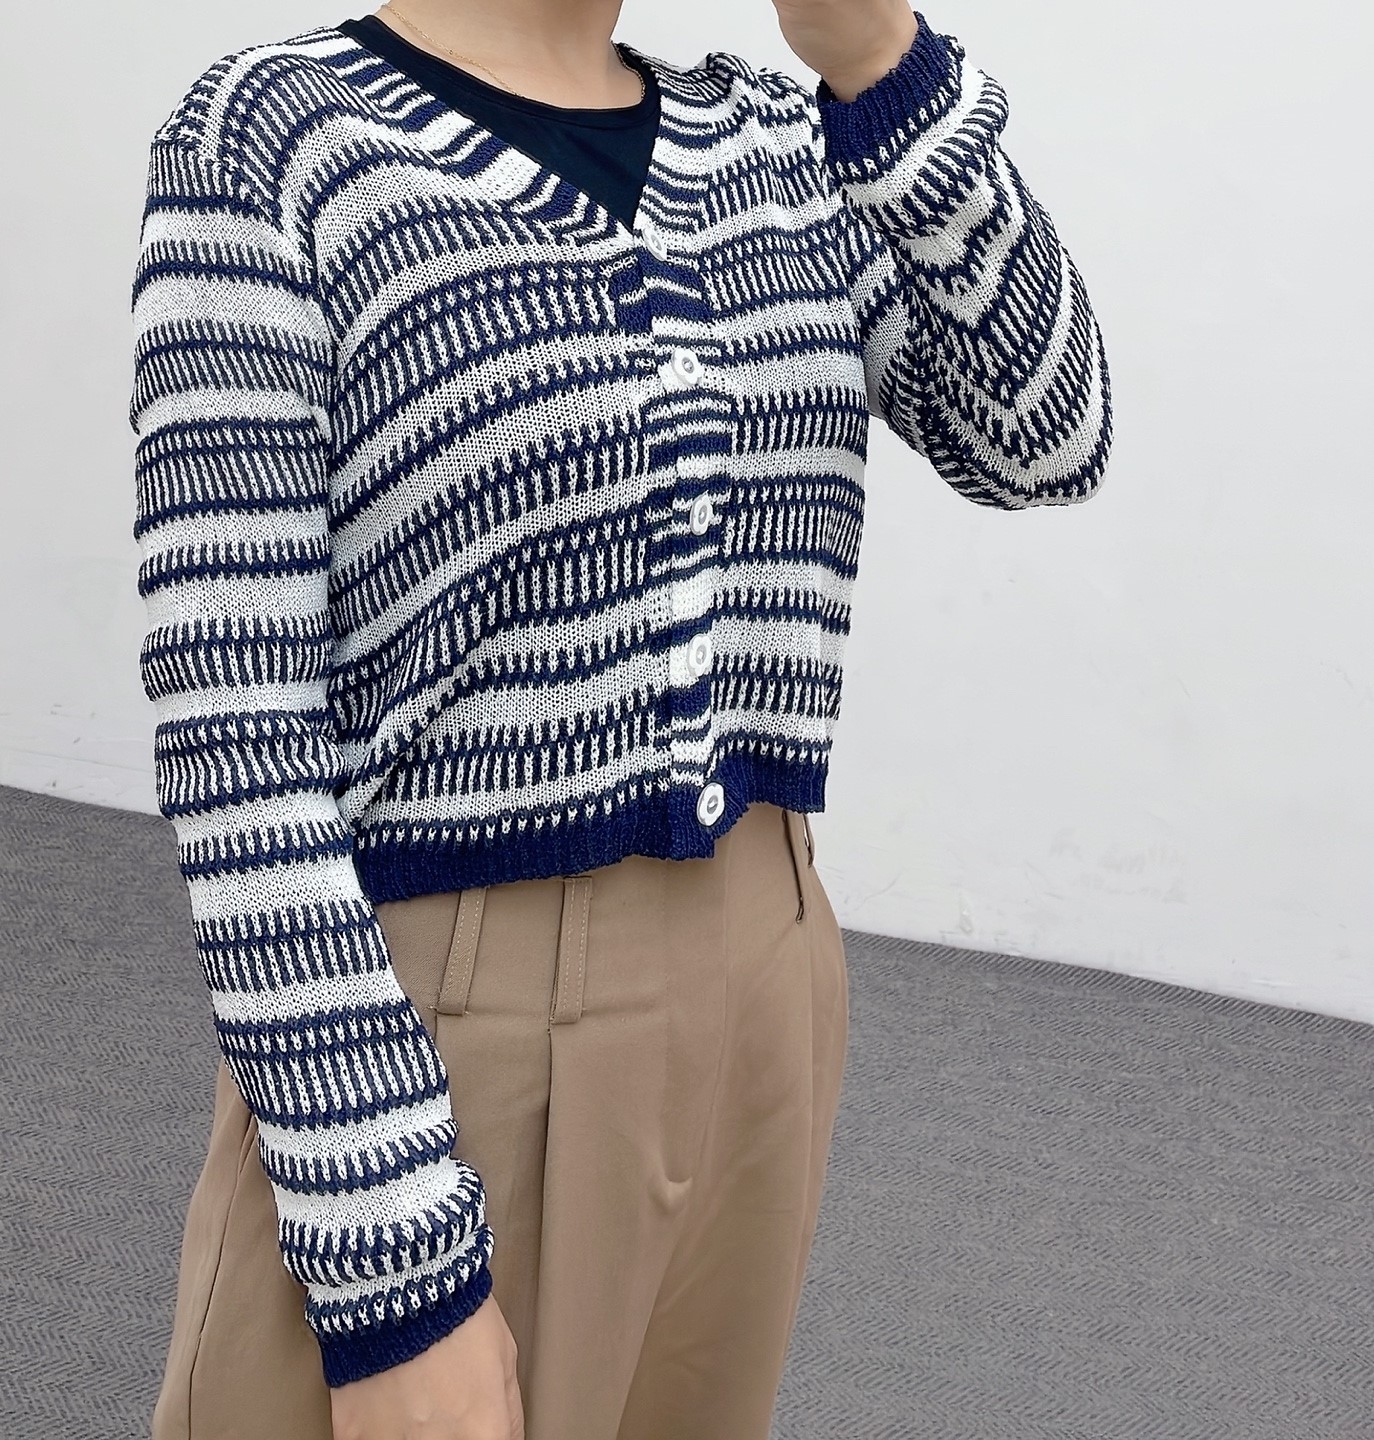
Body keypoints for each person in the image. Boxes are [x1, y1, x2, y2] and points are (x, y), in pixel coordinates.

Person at [127, 1, 1112, 1437]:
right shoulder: (274, 139)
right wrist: (392, 1268)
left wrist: (878, 63)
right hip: (445, 1018)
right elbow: (238, 742)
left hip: (767, 988)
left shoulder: (773, 142)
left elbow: (1042, 437)